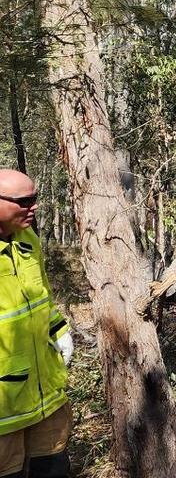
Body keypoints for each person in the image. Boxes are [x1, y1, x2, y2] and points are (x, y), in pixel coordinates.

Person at [0, 170, 72, 478]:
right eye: (24, 201)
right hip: (4, 408)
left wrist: (60, 331)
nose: (34, 207)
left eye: (36, 198)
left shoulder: (28, 240)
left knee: (53, 468)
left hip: (47, 393)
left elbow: (42, 296)